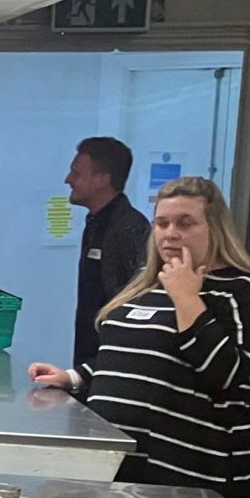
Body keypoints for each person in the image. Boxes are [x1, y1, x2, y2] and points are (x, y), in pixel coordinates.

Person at [29, 176, 250, 498]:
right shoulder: (147, 284)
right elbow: (132, 354)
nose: (171, 233)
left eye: (185, 223)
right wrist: (75, 377)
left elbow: (231, 377)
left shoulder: (242, 289)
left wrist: (188, 299)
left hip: (194, 478)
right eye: (162, 223)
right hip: (124, 470)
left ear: (215, 228)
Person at [65, 136, 153, 370]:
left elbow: (136, 302)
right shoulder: (96, 223)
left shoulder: (129, 228)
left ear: (102, 179)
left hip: (113, 365)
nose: (68, 180)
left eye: (76, 173)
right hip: (89, 363)